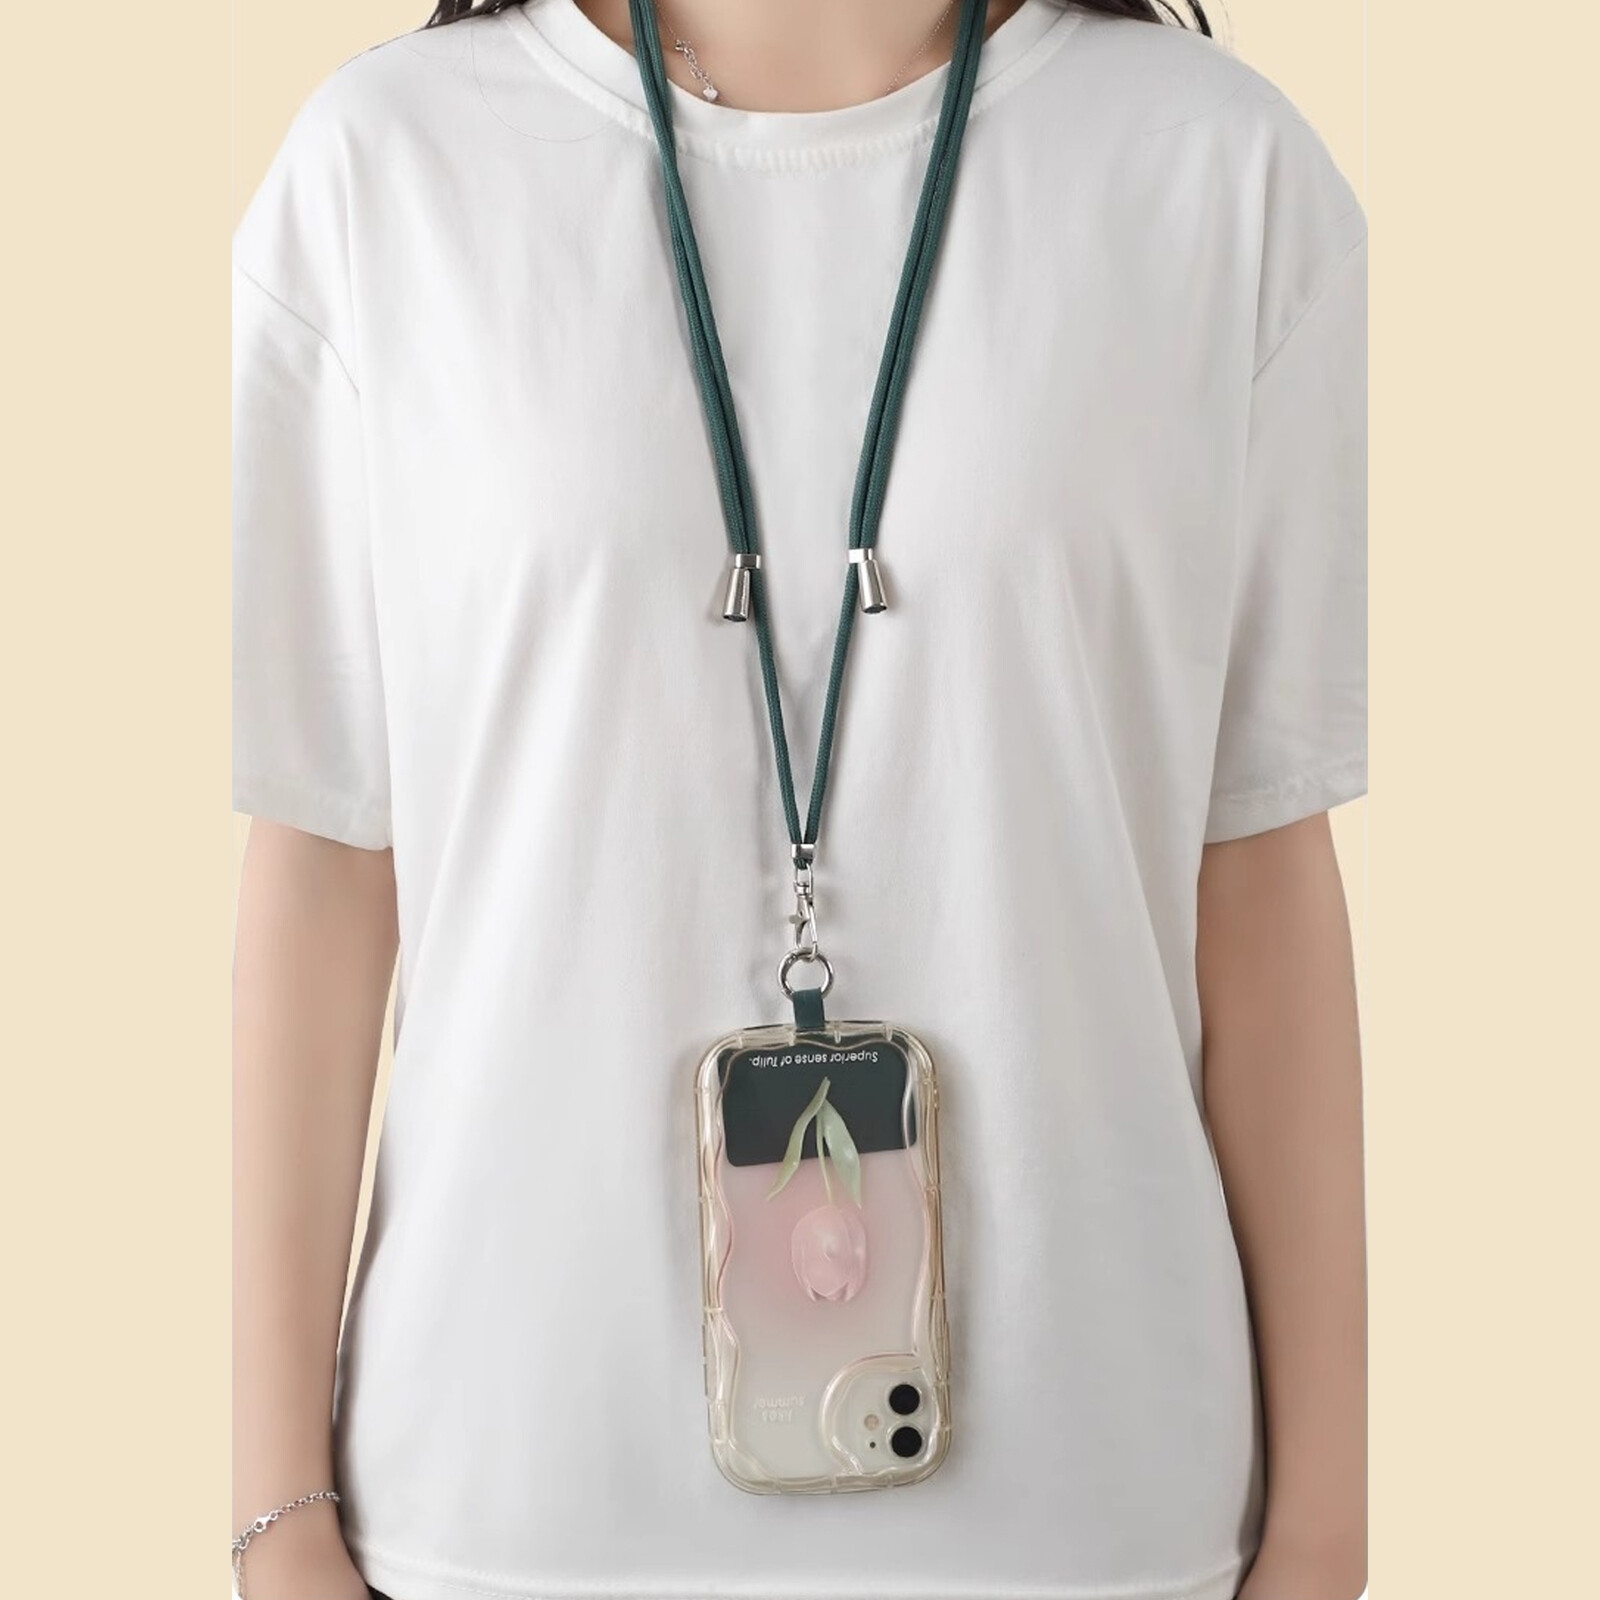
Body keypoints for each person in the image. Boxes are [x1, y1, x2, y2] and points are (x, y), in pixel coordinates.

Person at [231, 1, 1368, 1598]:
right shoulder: (385, 167)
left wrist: (1325, 1529)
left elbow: (1257, 857)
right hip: (504, 1510)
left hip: (1093, 1518)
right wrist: (276, 1518)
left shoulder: (1217, 171)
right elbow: (325, 862)